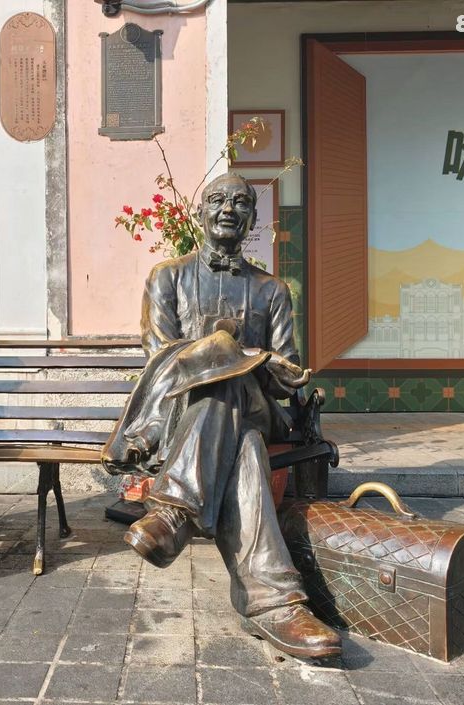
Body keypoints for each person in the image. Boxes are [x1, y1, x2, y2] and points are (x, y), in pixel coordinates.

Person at [103, 173, 342, 659]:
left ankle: (175, 511)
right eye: (217, 200)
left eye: (240, 203)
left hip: (258, 407)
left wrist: (264, 366)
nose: (228, 209)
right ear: (200, 213)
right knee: (243, 440)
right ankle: (273, 602)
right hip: (183, 413)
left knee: (233, 381)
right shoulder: (168, 276)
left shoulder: (272, 289)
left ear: (252, 218)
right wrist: (228, 354)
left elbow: (286, 372)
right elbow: (161, 358)